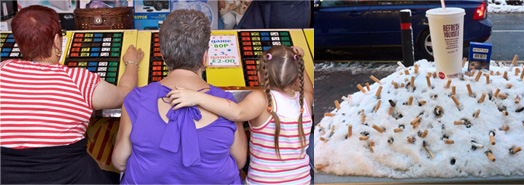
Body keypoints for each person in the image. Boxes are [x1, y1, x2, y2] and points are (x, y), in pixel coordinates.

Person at [0, 5, 143, 184]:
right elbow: (125, 95)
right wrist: (131, 62)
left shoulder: (3, 69)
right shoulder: (78, 79)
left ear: (17, 41)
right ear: (56, 41)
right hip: (70, 177)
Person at [112, 9, 247, 184]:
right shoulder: (228, 104)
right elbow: (240, 161)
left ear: (163, 56)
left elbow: (119, 162)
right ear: (205, 58)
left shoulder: (135, 99)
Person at [167, 45, 314, 184]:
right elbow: (309, 88)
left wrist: (196, 97)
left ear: (260, 75)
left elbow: (236, 112)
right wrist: (300, 60)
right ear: (297, 76)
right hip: (301, 180)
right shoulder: (305, 100)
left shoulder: (262, 100)